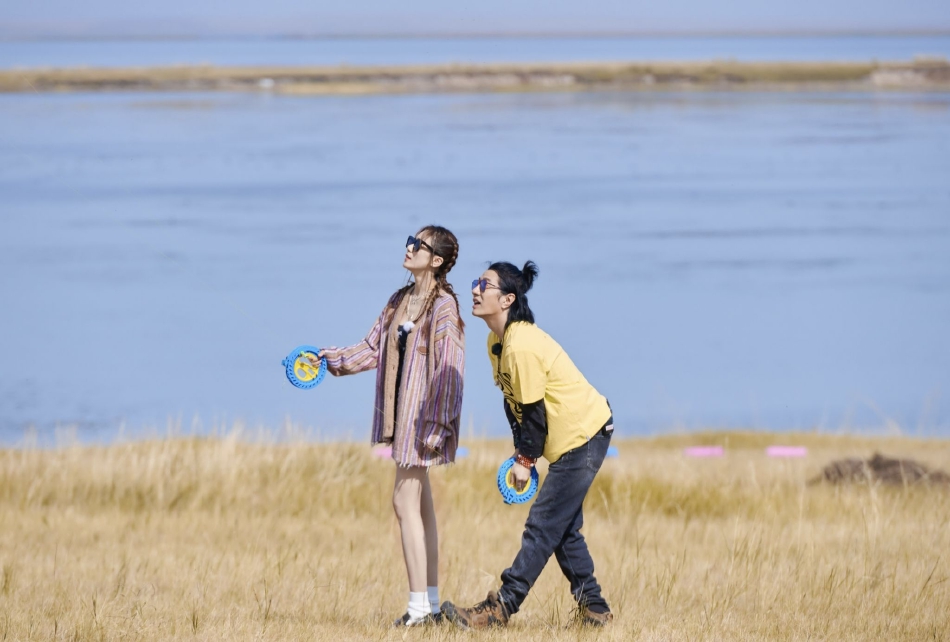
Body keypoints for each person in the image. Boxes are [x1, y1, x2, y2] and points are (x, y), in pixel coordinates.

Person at [441, 260, 614, 629]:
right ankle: (595, 610)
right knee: (563, 528)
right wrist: (522, 454)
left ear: (507, 300)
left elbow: (533, 412)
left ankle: (499, 609)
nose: (474, 289)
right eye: (476, 282)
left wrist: (526, 458)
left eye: (483, 285)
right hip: (567, 438)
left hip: (583, 435)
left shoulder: (521, 345)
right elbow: (513, 401)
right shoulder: (497, 342)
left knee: (542, 524)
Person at [313, 226, 465, 627]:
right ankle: (429, 605)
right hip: (401, 420)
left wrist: (439, 425)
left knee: (403, 503)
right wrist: (327, 360)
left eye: (419, 244)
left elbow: (450, 370)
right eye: (409, 241)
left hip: (424, 420)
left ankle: (419, 610)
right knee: (420, 506)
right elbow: (371, 349)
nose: (409, 247)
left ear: (436, 260)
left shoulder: (444, 306)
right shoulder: (400, 300)